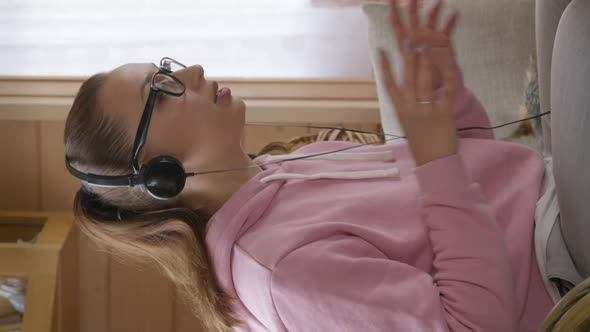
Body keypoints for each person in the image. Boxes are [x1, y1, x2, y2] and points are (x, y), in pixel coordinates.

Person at [63, 0, 589, 330]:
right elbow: (477, 324)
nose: (191, 70)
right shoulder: (283, 273)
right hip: (558, 258)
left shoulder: (282, 169)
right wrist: (437, 160)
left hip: (542, 186)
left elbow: (470, 192)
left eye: (165, 68)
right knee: (581, 30)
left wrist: (446, 102)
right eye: (161, 89)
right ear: (161, 174)